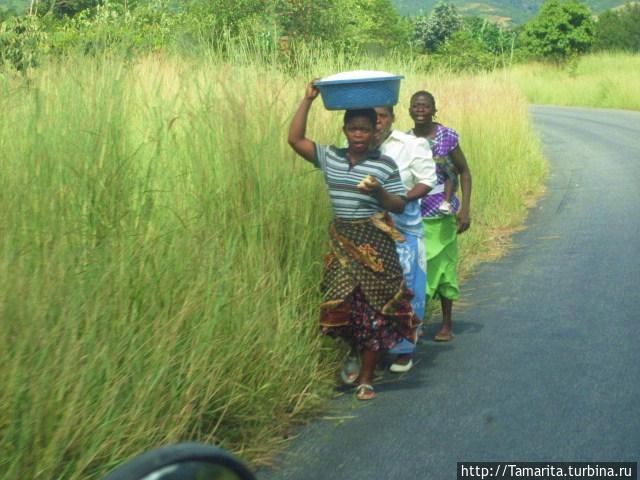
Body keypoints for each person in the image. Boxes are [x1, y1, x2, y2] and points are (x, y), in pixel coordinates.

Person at [287, 80, 420, 400]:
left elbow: (399, 204)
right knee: (343, 306)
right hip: (343, 243)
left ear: (376, 129)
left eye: (365, 129)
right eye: (353, 129)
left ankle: (366, 379)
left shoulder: (385, 165)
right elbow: (294, 139)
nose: (358, 135)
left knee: (374, 312)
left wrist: (378, 191)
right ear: (345, 130)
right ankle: (353, 352)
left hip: (375, 246)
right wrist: (307, 100)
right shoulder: (330, 157)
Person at [374, 106, 436, 372]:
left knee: (407, 286)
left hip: (404, 227)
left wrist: (402, 200)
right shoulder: (356, 142)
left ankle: (404, 348)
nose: (377, 121)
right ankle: (372, 347)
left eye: (383, 116)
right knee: (373, 290)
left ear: (392, 117)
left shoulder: (411, 144)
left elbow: (427, 180)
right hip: (370, 227)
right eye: (372, 116)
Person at [408, 90, 472, 342]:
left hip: (443, 213)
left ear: (434, 109)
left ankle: (446, 323)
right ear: (409, 110)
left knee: (444, 268)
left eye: (425, 105)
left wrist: (465, 208)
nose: (420, 109)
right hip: (414, 213)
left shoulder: (447, 136)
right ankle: (416, 322)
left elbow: (464, 172)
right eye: (416, 106)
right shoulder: (405, 140)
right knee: (415, 270)